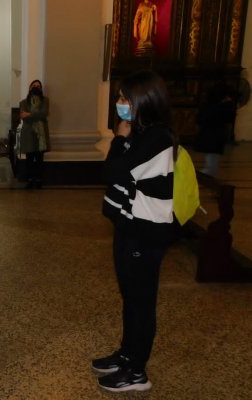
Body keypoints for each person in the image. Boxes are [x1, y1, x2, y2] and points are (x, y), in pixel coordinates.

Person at [94, 70, 178, 392]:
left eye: (125, 98)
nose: (119, 104)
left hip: (145, 232)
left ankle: (137, 372)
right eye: (119, 97)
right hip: (129, 226)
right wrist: (125, 139)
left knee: (141, 301)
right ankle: (127, 353)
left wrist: (119, 139)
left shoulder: (157, 138)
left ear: (145, 100)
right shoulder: (141, 134)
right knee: (130, 296)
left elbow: (112, 171)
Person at [194, 82, 236, 176]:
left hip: (213, 134)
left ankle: (208, 173)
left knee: (211, 157)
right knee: (211, 157)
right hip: (214, 134)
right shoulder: (221, 107)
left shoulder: (213, 106)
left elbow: (200, 119)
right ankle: (208, 172)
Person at [19, 79, 50, 189]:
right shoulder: (23, 102)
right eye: (34, 85)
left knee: (39, 158)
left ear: (41, 89)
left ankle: (39, 179)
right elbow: (23, 116)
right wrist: (36, 114)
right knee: (29, 159)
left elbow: (44, 113)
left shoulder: (45, 101)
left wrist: (29, 114)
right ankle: (30, 179)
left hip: (41, 135)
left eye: (38, 86)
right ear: (30, 88)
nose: (36, 87)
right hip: (28, 133)